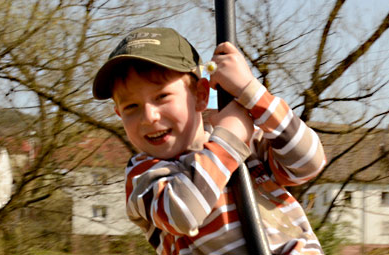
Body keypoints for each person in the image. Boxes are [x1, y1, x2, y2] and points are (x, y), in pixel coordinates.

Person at [92, 27, 326, 254]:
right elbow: (183, 213)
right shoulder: (144, 176)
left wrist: (252, 92)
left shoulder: (248, 145)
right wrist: (230, 138)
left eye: (161, 96)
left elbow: (308, 162)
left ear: (201, 95)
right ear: (119, 114)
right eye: (131, 106)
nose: (149, 117)